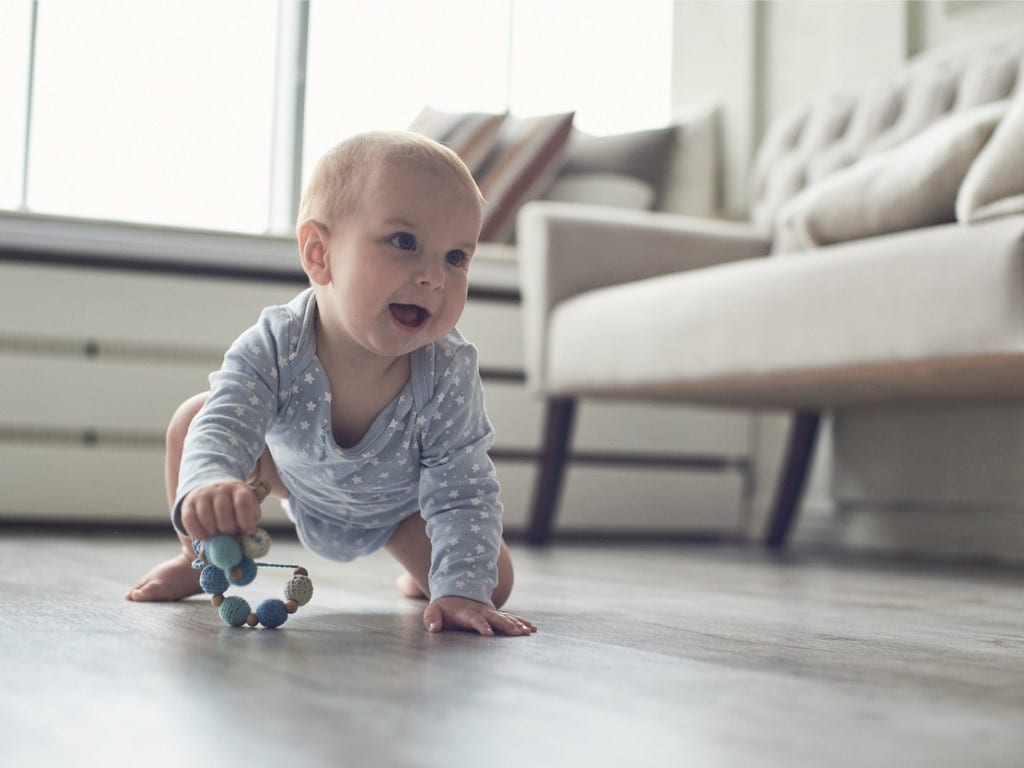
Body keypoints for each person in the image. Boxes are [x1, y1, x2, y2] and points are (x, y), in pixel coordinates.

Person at [127, 131, 535, 637]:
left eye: (457, 257)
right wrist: (212, 481)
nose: (434, 276)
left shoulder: (447, 369)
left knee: (491, 582)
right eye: (405, 242)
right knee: (194, 417)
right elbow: (227, 420)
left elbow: (463, 488)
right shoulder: (277, 344)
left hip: (402, 511)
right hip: (288, 475)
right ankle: (197, 558)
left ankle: (424, 577)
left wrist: (460, 589)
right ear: (319, 253)